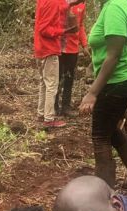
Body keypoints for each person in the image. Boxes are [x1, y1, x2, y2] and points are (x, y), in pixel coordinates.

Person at [80, 0, 127, 188]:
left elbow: (114, 55)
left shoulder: (115, 8)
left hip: (118, 80)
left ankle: (103, 194)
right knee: (110, 128)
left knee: (100, 136)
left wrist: (92, 93)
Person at [35, 0, 69, 128]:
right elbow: (44, 29)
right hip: (48, 48)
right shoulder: (53, 2)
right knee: (51, 84)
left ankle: (41, 114)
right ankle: (48, 119)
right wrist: (62, 31)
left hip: (40, 47)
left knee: (44, 83)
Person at [56, 0, 89, 117]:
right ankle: (54, 106)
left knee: (69, 78)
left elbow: (80, 25)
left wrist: (84, 45)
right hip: (58, 47)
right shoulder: (60, 2)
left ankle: (66, 106)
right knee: (56, 78)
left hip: (72, 49)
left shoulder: (82, 4)